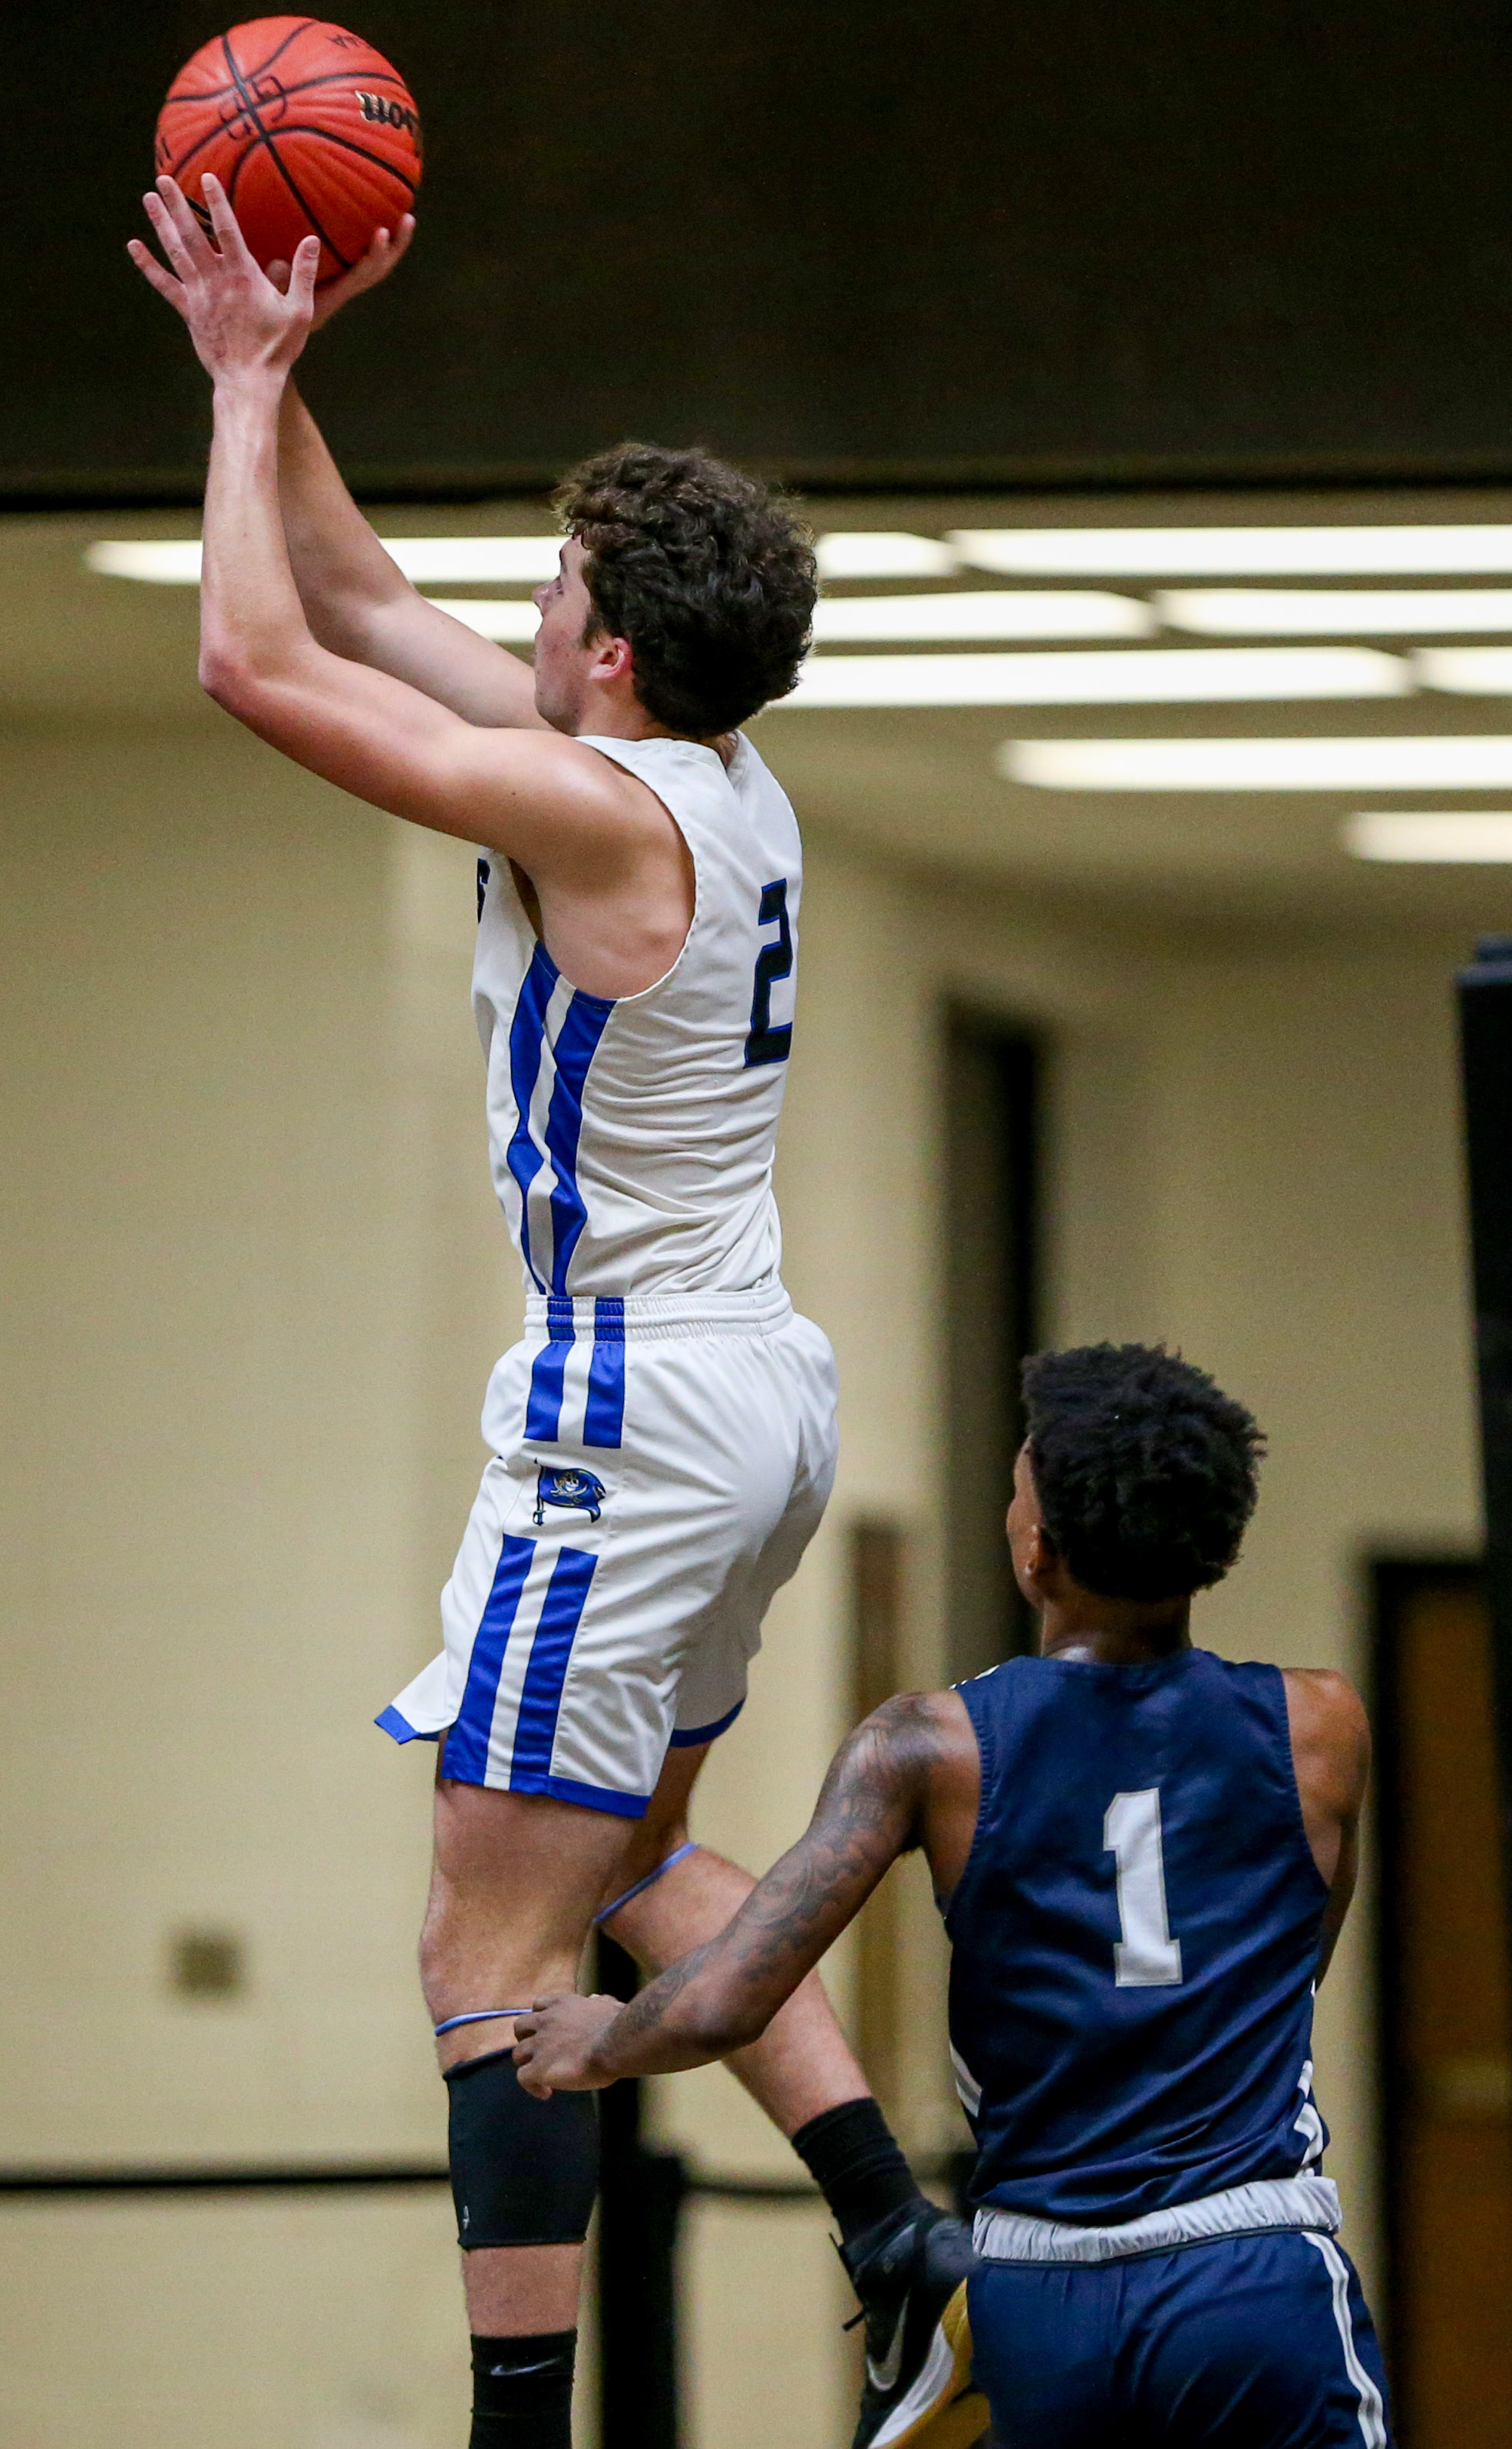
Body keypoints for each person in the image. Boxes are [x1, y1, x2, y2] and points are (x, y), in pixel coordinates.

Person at [128, 180, 978, 2449]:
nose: (529, 601)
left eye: (562, 588)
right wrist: (283, 364)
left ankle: (524, 2425)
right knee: (607, 1876)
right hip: (755, 1386)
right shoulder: (710, 775)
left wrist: (226, 396)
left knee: (476, 1950)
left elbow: (252, 658)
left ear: (606, 655)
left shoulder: (592, 817)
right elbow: (361, 590)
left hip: (627, 1400)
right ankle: (900, 2222)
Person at [516, 1341, 1393, 2449]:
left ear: (1034, 1550)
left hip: (1040, 2295)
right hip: (1244, 2270)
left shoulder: (927, 1747)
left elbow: (727, 1997)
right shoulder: (1321, 1726)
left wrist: (600, 2039)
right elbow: (1293, 1959)